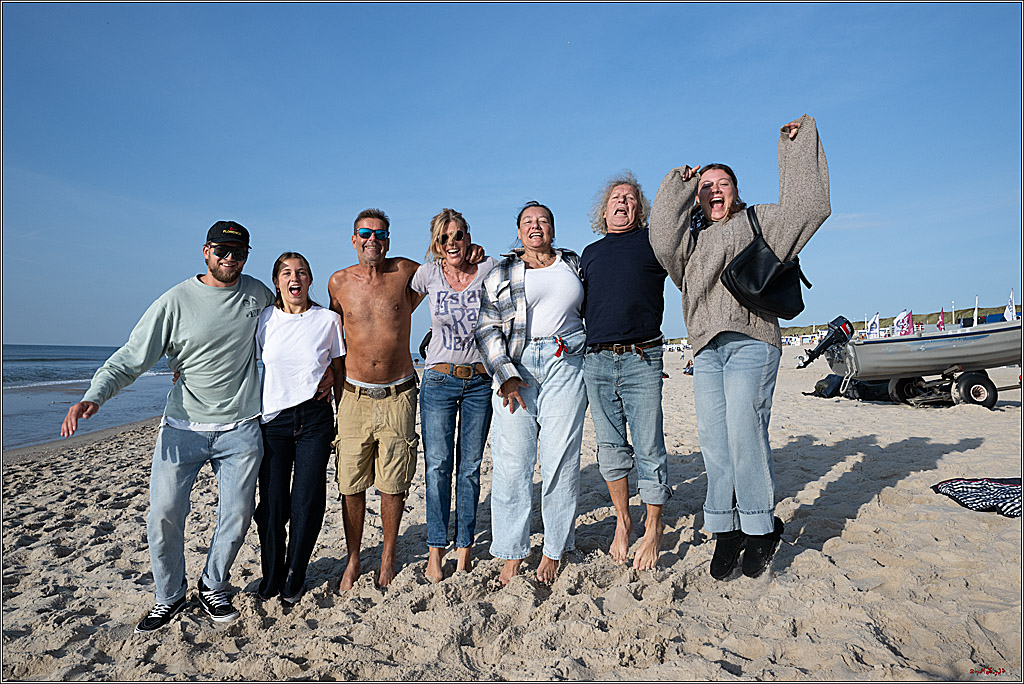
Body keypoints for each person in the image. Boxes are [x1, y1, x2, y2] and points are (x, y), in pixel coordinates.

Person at [60, 221, 276, 632]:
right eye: (222, 251)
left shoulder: (258, 294)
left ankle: (213, 584)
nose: (230, 259)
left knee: (237, 513)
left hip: (241, 426)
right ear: (205, 251)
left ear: (247, 256)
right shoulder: (175, 301)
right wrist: (95, 395)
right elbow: (132, 356)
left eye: (239, 253)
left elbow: (294, 328)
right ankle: (170, 594)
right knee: (162, 514)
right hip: (182, 426)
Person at [649, 115, 830, 580]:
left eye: (722, 182)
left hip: (753, 340)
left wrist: (796, 146)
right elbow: (661, 236)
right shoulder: (688, 243)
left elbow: (809, 208)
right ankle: (726, 528)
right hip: (706, 350)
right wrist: (678, 184)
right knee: (714, 438)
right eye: (705, 185)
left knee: (745, 433)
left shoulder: (760, 221)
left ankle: (759, 528)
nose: (713, 190)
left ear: (735, 189)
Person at [327, 208, 484, 590]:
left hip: (399, 392)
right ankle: (352, 559)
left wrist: (474, 250)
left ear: (389, 239)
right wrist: (331, 394)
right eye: (365, 233)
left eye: (381, 234)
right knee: (351, 484)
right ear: (354, 239)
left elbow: (448, 272)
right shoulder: (338, 283)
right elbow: (330, 341)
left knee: (394, 482)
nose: (373, 240)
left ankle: (388, 556)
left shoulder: (407, 273)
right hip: (353, 394)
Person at [475, 201, 588, 586]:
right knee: (512, 464)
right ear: (519, 232)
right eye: (528, 222)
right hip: (516, 369)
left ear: (553, 230)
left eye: (543, 221)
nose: (535, 226)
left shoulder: (573, 264)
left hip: (565, 362)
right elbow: (487, 327)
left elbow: (599, 309)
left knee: (560, 459)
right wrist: (505, 375)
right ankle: (511, 552)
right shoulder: (502, 271)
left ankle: (554, 549)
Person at [580, 172, 671, 571]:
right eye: (616, 198)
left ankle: (653, 529)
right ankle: (623, 520)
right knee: (611, 452)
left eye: (631, 198)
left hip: (642, 358)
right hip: (596, 360)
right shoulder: (588, 253)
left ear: (640, 209)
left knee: (649, 448)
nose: (623, 203)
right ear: (604, 210)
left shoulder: (655, 244)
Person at [410, 208, 497, 582]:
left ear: (468, 237)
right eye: (444, 238)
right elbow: (398, 309)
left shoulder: (488, 267)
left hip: (479, 381)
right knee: (437, 467)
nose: (452, 243)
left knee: (471, 469)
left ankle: (464, 550)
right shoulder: (426, 275)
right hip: (438, 382)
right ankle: (435, 552)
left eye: (458, 235)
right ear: (436, 242)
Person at [253, 252, 345, 604]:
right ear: (277, 281)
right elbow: (243, 362)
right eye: (287, 273)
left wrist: (335, 389)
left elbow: (339, 368)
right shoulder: (264, 320)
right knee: (273, 504)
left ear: (310, 280)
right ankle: (272, 571)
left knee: (307, 499)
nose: (295, 279)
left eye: (302, 273)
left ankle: (296, 571)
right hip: (273, 421)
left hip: (315, 419)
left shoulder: (327, 320)